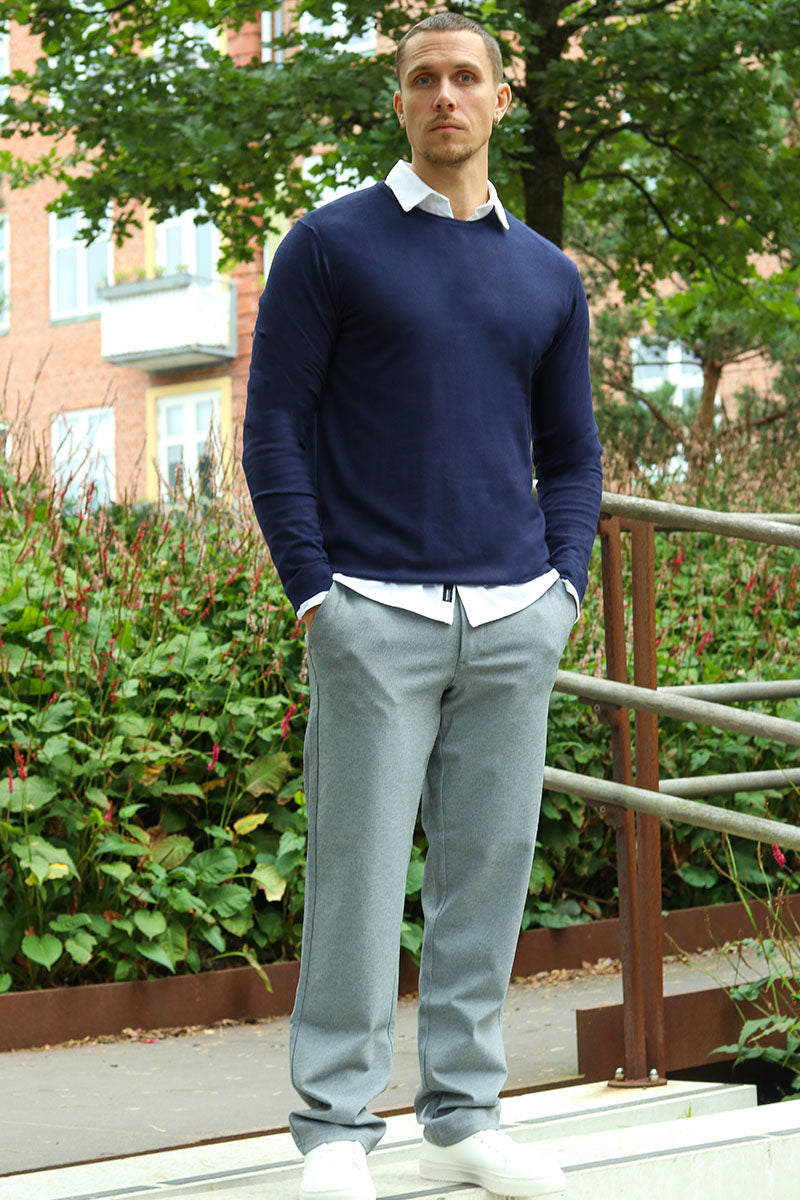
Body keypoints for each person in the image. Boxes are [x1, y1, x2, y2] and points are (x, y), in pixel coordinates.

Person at [242, 12, 602, 1199]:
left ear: (501, 97)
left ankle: (461, 1116)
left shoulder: (546, 274)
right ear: (397, 102)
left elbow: (572, 453)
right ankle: (334, 1130)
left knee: (486, 876)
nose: (444, 95)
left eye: (464, 77)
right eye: (422, 78)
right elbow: (274, 427)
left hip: (512, 618)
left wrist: (560, 591)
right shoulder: (327, 246)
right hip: (371, 612)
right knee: (354, 876)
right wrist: (315, 595)